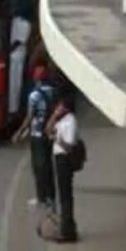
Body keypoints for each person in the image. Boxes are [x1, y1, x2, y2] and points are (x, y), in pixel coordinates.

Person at [14, 66, 56, 209]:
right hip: (50, 133)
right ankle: (52, 195)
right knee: (49, 165)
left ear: (36, 79)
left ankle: (41, 198)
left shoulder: (34, 95)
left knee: (38, 166)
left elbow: (29, 116)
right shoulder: (53, 92)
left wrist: (19, 132)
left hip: (37, 134)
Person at [47, 95, 80, 242]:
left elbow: (69, 146)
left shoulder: (71, 122)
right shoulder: (62, 120)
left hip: (65, 160)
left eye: (60, 106)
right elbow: (47, 130)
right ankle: (66, 226)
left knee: (66, 195)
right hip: (58, 158)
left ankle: (68, 230)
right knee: (63, 194)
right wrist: (54, 116)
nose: (57, 108)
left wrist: (58, 139)